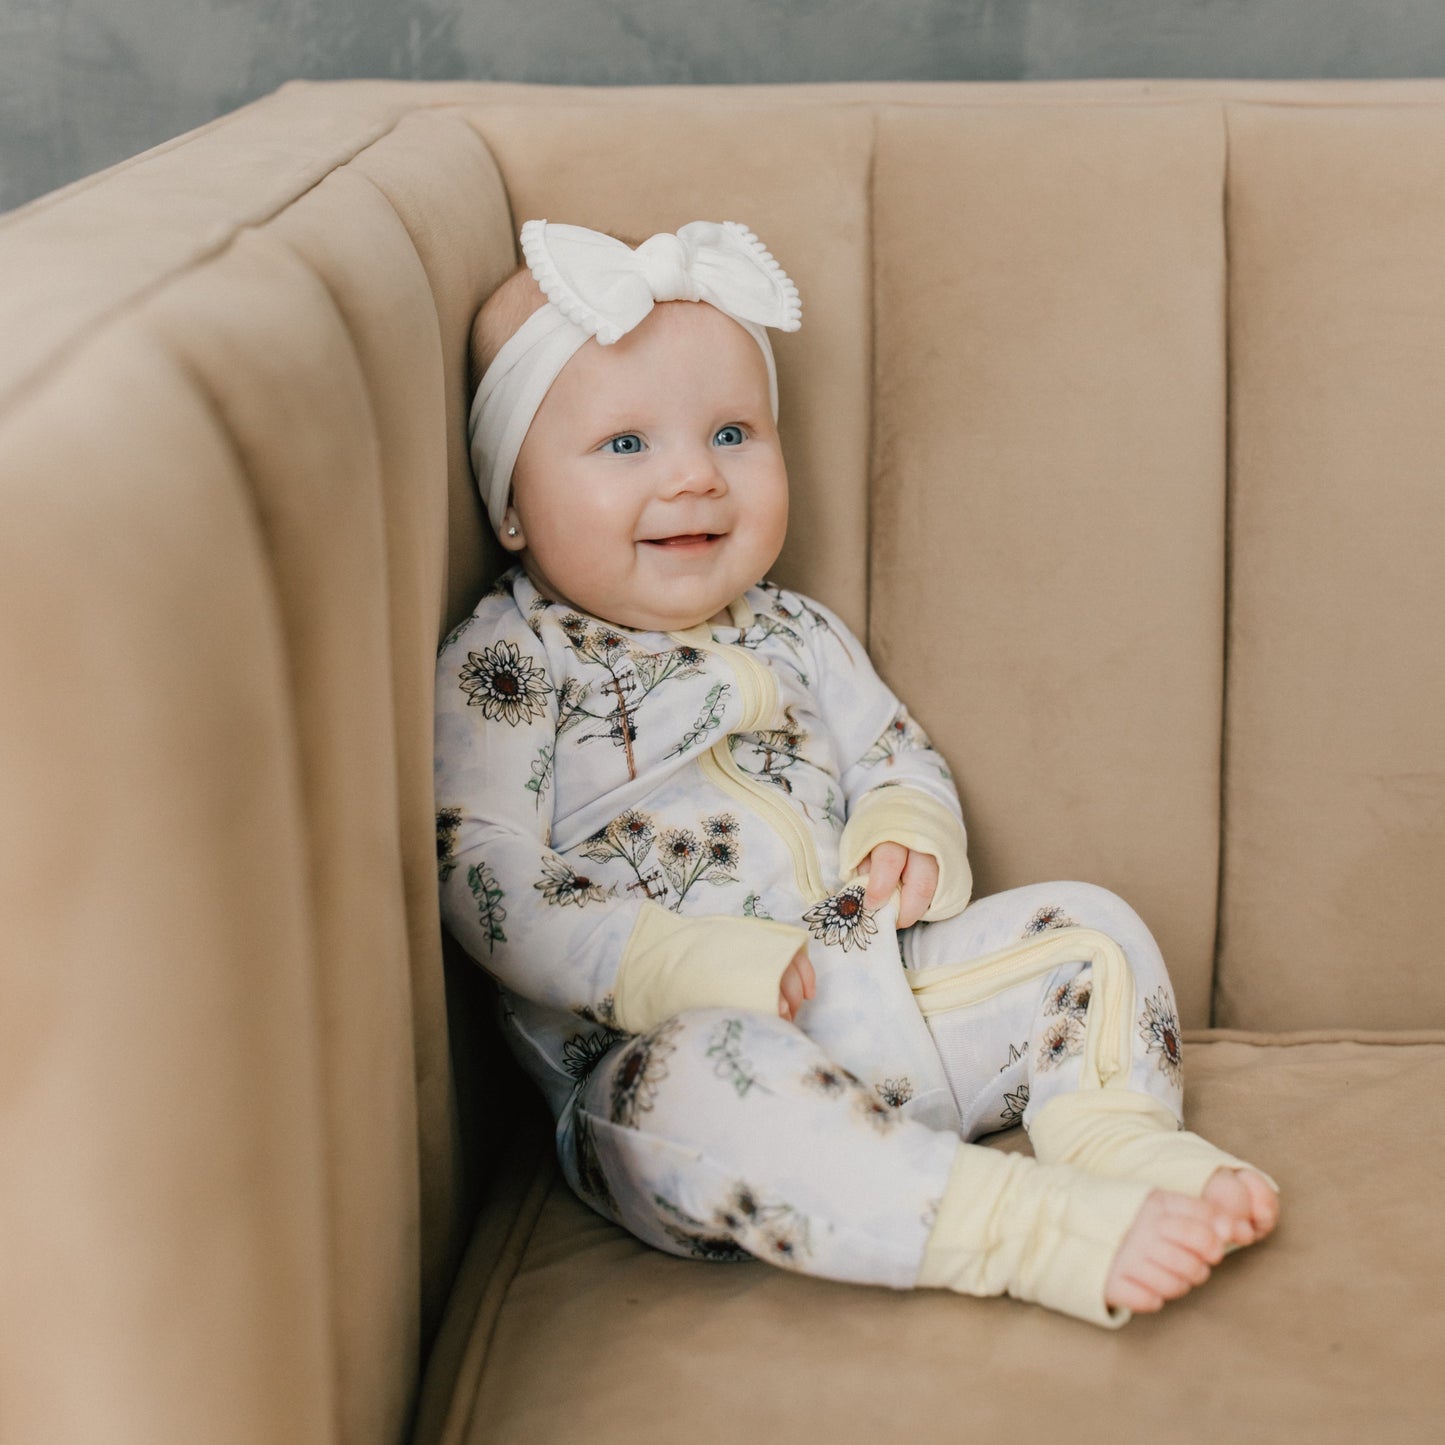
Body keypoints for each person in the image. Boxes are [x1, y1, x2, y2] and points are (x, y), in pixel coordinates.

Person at [435, 219, 1279, 1327]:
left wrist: (904, 826)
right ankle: (1015, 1223)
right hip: (664, 1051)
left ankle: (1120, 1144)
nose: (694, 475)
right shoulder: (510, 659)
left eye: (731, 432)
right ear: (509, 501)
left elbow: (891, 748)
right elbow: (480, 868)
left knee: (1090, 927)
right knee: (708, 1076)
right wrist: (664, 961)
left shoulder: (794, 630)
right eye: (625, 443)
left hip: (877, 983)